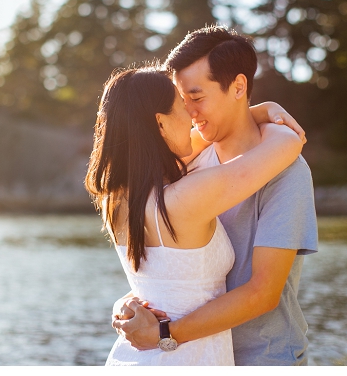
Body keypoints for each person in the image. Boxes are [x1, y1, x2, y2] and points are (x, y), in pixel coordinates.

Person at [111, 26, 318, 365]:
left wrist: (165, 334)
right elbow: (173, 265)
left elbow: (262, 293)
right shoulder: (187, 159)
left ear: (238, 87)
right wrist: (132, 305)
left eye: (197, 97)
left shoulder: (287, 173)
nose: (188, 113)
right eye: (181, 101)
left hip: (260, 358)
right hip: (196, 355)